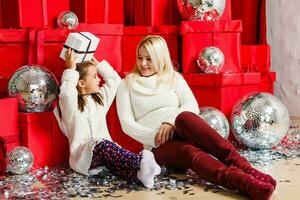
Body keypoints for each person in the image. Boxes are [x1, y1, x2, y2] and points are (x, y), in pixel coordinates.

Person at [116, 35, 276, 200]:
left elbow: (191, 104)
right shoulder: (126, 85)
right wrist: (156, 136)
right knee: (189, 152)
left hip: (179, 128)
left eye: (149, 59)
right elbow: (127, 124)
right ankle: (243, 181)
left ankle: (244, 166)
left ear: (160, 58)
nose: (143, 64)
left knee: (185, 117)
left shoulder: (173, 78)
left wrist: (170, 124)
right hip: (157, 145)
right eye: (140, 58)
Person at [54, 49, 160, 188]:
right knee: (102, 145)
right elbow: (67, 94)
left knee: (117, 167)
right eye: (94, 76)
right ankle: (142, 162)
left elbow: (114, 80)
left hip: (105, 157)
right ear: (81, 83)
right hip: (83, 158)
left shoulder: (99, 100)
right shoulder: (71, 108)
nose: (99, 79)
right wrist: (71, 69)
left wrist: (98, 64)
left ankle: (141, 175)